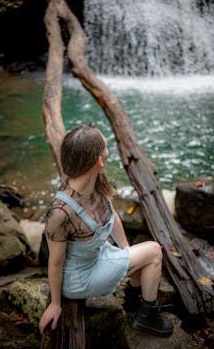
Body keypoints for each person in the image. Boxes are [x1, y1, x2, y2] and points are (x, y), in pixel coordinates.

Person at [39, 124, 173, 337]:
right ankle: (148, 316)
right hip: (79, 278)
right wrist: (55, 304)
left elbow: (112, 214)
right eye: (106, 147)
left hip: (97, 256)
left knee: (142, 263)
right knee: (154, 250)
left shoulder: (96, 181)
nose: (107, 148)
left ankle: (131, 303)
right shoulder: (60, 214)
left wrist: (126, 250)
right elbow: (55, 263)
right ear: (99, 161)